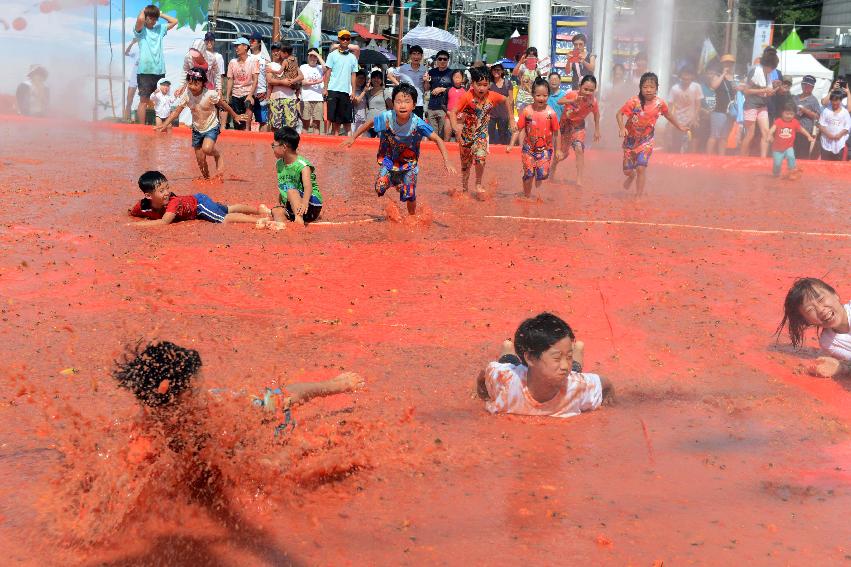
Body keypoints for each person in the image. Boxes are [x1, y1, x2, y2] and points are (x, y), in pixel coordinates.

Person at [112, 340, 365, 468]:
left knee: (277, 404)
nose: (201, 383)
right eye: (197, 382)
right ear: (182, 393)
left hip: (235, 424)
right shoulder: (150, 431)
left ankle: (334, 385)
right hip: (215, 441)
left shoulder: (214, 407)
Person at [343, 83, 456, 219]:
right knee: (380, 187)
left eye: (407, 102)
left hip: (409, 165)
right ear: (393, 104)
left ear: (414, 105)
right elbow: (370, 122)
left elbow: (438, 139)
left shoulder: (417, 123)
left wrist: (447, 161)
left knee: (409, 194)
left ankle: (412, 217)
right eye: (398, 102)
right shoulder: (388, 118)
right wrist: (353, 138)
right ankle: (396, 183)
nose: (402, 105)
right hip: (389, 162)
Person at [475, 312, 612, 417]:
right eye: (557, 358)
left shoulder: (576, 386)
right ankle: (507, 347)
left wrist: (609, 407)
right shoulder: (506, 380)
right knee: (508, 360)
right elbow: (484, 375)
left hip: (552, 373)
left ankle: (576, 351)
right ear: (530, 358)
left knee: (574, 369)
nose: (565, 365)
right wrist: (485, 395)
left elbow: (606, 384)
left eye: (568, 356)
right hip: (518, 370)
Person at [154, 68, 244, 179]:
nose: (192, 87)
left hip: (211, 126)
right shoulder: (187, 95)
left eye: (196, 84)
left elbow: (223, 105)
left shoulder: (210, 94)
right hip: (197, 129)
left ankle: (217, 154)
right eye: (190, 83)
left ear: (203, 84)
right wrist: (164, 124)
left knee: (207, 149)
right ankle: (207, 181)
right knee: (201, 162)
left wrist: (235, 115)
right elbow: (176, 112)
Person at [617, 72, 688, 196]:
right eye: (645, 87)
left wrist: (679, 126)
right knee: (627, 171)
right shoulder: (634, 102)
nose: (648, 90)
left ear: (656, 88)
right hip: (630, 141)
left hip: (646, 141)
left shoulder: (659, 104)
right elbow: (619, 114)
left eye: (652, 87)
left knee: (641, 168)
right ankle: (631, 176)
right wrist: (622, 127)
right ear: (640, 88)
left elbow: (669, 115)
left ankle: (638, 197)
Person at [449, 67, 515, 199]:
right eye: (479, 85)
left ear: (489, 85)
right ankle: (465, 187)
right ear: (472, 84)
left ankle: (478, 183)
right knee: (465, 164)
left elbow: (507, 100)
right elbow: (453, 112)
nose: (482, 88)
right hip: (466, 135)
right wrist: (455, 126)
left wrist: (512, 119)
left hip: (482, 134)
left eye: (485, 85)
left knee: (480, 159)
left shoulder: (492, 96)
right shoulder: (467, 96)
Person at [128, 170, 269, 227]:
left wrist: (135, 225)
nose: (167, 192)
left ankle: (258, 219)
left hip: (199, 205)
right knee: (227, 208)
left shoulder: (173, 202)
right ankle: (259, 210)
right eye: (161, 190)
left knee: (223, 218)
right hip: (198, 199)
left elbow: (165, 222)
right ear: (148, 196)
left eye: (167, 188)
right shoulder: (141, 205)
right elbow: (131, 212)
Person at [777, 278, 851, 379]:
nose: (821, 310)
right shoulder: (828, 342)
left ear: (835, 295)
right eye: (810, 310)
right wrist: (839, 368)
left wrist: (841, 367)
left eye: (821, 299)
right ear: (808, 322)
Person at [506, 78, 560, 199]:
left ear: (549, 95)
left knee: (542, 174)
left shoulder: (551, 114)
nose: (541, 98)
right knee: (529, 174)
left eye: (545, 95)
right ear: (532, 95)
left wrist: (558, 149)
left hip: (545, 149)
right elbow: (518, 129)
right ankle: (526, 196)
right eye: (538, 95)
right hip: (528, 148)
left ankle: (539, 175)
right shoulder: (527, 111)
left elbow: (557, 132)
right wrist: (511, 144)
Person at [264, 126, 323, 228]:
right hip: (295, 204)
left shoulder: (303, 165)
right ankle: (281, 225)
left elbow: (308, 187)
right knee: (276, 211)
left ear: (284, 147)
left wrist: (304, 203)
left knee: (291, 191)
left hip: (310, 203)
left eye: (273, 145)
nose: (272, 148)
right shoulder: (279, 164)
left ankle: (299, 221)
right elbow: (284, 187)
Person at [133, 5, 178, 125]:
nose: (153, 21)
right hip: (145, 72)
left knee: (161, 100)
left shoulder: (160, 28)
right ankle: (142, 128)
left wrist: (160, 14)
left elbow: (175, 21)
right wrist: (144, 10)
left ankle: (159, 127)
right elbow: (140, 20)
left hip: (159, 70)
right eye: (150, 18)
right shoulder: (140, 30)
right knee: (143, 100)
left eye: (155, 18)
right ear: (146, 17)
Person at [554, 75, 600, 186]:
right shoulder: (573, 94)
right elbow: (559, 101)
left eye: (591, 90)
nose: (588, 92)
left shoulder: (592, 101)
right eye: (585, 89)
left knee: (579, 149)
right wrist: (572, 100)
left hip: (578, 126)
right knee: (562, 155)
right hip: (566, 125)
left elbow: (596, 114)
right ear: (580, 87)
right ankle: (553, 167)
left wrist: (597, 130)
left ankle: (579, 179)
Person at [740, 48, 778, 157]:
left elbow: (766, 92)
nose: (772, 70)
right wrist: (764, 90)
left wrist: (772, 90)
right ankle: (741, 157)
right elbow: (746, 90)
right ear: (767, 65)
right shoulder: (755, 71)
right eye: (772, 68)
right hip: (751, 105)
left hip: (762, 105)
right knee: (750, 134)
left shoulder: (768, 74)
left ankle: (763, 158)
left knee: (766, 132)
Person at [323, 30, 360, 136]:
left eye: (347, 38)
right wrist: (325, 88)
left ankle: (336, 138)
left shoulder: (353, 57)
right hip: (332, 89)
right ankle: (325, 136)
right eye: (342, 38)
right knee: (329, 117)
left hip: (345, 91)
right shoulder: (332, 55)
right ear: (339, 39)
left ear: (350, 40)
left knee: (340, 120)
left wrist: (353, 91)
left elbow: (354, 75)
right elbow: (328, 72)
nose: (345, 40)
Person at [768, 102, 814, 178]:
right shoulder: (778, 121)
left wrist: (808, 136)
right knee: (777, 164)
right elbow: (772, 129)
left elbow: (802, 130)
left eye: (791, 114)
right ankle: (776, 174)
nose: (789, 116)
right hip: (777, 149)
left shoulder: (795, 122)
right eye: (787, 114)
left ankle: (792, 172)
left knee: (791, 157)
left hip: (788, 147)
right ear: (782, 113)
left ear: (794, 114)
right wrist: (769, 135)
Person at [266, 43, 303, 132]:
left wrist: (292, 82)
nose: (276, 53)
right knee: (275, 125)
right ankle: (277, 143)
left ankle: (289, 144)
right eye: (274, 51)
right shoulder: (270, 65)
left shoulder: (291, 63)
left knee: (292, 124)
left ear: (284, 52)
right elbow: (270, 80)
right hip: (275, 97)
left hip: (290, 97)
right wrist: (283, 82)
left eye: (278, 50)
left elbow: (301, 76)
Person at [706, 54, 736, 156]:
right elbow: (714, 86)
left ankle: (721, 158)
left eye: (730, 63)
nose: (728, 64)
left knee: (724, 137)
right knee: (714, 136)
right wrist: (723, 74)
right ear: (722, 64)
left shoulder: (734, 78)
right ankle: (708, 158)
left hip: (730, 112)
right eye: (726, 62)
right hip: (719, 111)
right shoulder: (717, 76)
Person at [225, 37, 258, 131]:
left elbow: (255, 80)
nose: (236, 48)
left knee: (246, 124)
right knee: (238, 123)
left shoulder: (253, 60)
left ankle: (247, 137)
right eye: (235, 46)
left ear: (245, 47)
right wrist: (228, 96)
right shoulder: (232, 62)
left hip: (248, 93)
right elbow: (230, 79)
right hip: (236, 94)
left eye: (237, 45)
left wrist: (250, 95)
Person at [667, 66, 703, 153]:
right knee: (676, 146)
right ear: (680, 77)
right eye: (683, 79)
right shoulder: (675, 89)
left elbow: (698, 104)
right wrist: (671, 121)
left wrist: (695, 118)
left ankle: (692, 161)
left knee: (693, 145)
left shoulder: (696, 87)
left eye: (688, 79)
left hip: (692, 120)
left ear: (692, 77)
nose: (685, 81)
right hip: (678, 120)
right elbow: (669, 106)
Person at [389, 45, 427, 118]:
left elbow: (425, 87)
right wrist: (399, 85)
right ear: (410, 56)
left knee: (417, 125)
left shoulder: (424, 69)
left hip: (418, 102)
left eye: (418, 54)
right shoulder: (403, 68)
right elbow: (390, 75)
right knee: (403, 124)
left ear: (421, 56)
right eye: (414, 54)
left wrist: (426, 81)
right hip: (405, 102)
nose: (416, 56)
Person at [424, 50, 453, 134]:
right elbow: (426, 89)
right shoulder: (431, 72)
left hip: (445, 108)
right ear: (436, 60)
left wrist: (442, 89)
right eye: (440, 59)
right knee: (432, 135)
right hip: (432, 107)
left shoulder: (451, 73)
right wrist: (426, 81)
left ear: (448, 60)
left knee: (443, 135)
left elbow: (455, 89)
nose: (442, 61)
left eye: (445, 59)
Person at [793, 75, 821, 161]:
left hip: (805, 132)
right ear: (801, 85)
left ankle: (799, 173)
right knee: (791, 154)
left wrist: (806, 111)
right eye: (805, 85)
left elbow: (818, 116)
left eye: (809, 86)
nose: (806, 87)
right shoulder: (794, 97)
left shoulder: (814, 100)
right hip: (792, 129)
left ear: (812, 87)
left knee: (802, 156)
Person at [247, 32, 271, 130]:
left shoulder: (265, 59)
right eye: (250, 40)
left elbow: (268, 78)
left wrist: (268, 93)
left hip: (261, 93)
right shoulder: (247, 57)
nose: (250, 42)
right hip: (248, 92)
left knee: (263, 120)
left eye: (253, 40)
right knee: (246, 120)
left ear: (259, 43)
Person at [818, 90, 851, 161]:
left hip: (839, 144)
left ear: (841, 100)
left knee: (837, 166)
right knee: (825, 165)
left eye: (837, 101)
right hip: (826, 143)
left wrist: (839, 135)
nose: (835, 103)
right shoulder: (826, 111)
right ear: (830, 100)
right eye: (833, 101)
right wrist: (828, 134)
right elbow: (820, 125)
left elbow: (847, 127)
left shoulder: (845, 112)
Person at [299, 49, 326, 134]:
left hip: (318, 99)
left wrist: (317, 55)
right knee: (305, 124)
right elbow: (303, 82)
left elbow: (327, 68)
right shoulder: (303, 67)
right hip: (306, 98)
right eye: (311, 56)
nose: (313, 58)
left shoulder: (320, 67)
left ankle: (315, 145)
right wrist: (317, 81)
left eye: (315, 56)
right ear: (307, 57)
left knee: (316, 125)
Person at [488, 64, 513, 145]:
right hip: (491, 115)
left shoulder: (507, 83)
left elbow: (511, 100)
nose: (496, 71)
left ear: (502, 71)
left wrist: (511, 116)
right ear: (491, 71)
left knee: (503, 138)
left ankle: (503, 157)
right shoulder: (489, 83)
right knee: (489, 138)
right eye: (494, 70)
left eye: (498, 70)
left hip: (504, 114)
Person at [513, 47, 541, 113]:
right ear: (526, 56)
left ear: (536, 56)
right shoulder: (522, 66)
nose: (531, 57)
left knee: (533, 120)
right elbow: (514, 73)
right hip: (522, 97)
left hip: (533, 97)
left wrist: (540, 64)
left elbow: (544, 77)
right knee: (521, 119)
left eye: (533, 55)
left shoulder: (538, 67)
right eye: (529, 55)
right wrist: (520, 62)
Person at [445, 69, 467, 142]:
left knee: (459, 139)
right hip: (448, 117)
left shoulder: (465, 90)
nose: (457, 79)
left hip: (460, 118)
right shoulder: (448, 89)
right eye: (455, 77)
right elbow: (442, 104)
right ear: (452, 78)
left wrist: (463, 114)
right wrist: (448, 112)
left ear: (463, 79)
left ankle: (458, 153)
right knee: (446, 138)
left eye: (459, 77)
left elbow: (467, 104)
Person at [365, 70, 387, 137]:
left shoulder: (385, 91)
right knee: (369, 144)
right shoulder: (367, 93)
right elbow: (367, 106)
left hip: (381, 121)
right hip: (370, 121)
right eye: (374, 78)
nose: (376, 80)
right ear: (371, 79)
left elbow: (391, 107)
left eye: (378, 78)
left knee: (381, 142)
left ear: (381, 80)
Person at [123, 39, 139, 121]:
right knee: (129, 99)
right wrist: (132, 43)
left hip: (143, 78)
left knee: (144, 100)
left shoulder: (149, 52)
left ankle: (140, 121)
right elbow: (125, 53)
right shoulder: (137, 52)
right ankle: (126, 119)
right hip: (134, 78)